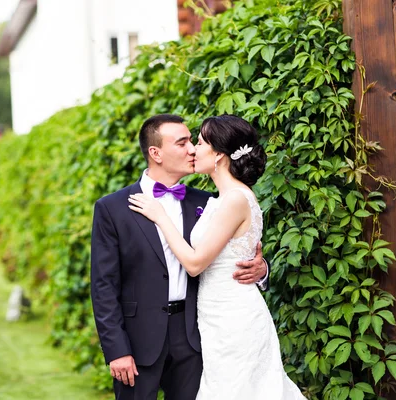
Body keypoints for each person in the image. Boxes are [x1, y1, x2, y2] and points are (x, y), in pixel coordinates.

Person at [91, 114, 269, 400]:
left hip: (195, 337)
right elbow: (103, 286)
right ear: (155, 153)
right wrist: (116, 349)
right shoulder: (113, 209)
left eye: (194, 141)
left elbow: (233, 247)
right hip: (138, 339)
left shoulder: (208, 202)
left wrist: (261, 268)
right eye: (183, 142)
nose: (191, 149)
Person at [129, 115, 306, 399]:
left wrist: (161, 217)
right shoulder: (218, 200)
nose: (192, 150)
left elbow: (196, 263)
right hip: (214, 321)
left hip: (234, 319)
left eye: (199, 143)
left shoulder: (235, 199)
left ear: (219, 156)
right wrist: (259, 266)